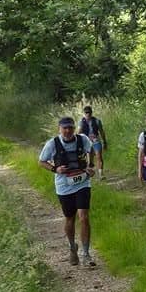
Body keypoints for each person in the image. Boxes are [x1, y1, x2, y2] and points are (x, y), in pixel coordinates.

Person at [38, 113, 99, 268]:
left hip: (82, 182)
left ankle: (86, 254)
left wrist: (90, 166)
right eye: (65, 128)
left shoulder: (82, 139)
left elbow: (91, 150)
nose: (68, 131)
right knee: (70, 219)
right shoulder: (53, 143)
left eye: (70, 128)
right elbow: (41, 161)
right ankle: (72, 247)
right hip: (64, 186)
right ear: (60, 129)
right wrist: (55, 169)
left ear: (74, 128)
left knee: (84, 217)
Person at [78, 101, 106, 172]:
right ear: (84, 113)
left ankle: (101, 174)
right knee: (89, 161)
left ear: (91, 113)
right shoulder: (81, 122)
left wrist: (104, 141)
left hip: (96, 140)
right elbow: (79, 133)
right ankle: (90, 169)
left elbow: (101, 132)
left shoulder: (97, 121)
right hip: (87, 141)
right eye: (86, 113)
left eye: (89, 112)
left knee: (99, 156)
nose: (88, 114)